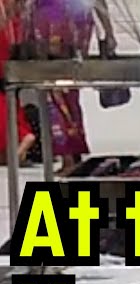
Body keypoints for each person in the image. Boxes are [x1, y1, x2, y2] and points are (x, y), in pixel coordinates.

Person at [26, 0, 116, 174]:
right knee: (68, 101)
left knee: (57, 103)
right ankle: (72, 155)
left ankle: (69, 157)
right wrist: (109, 33)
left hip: (57, 38)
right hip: (68, 38)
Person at [0, 0, 35, 165]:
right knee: (8, 101)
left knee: (5, 103)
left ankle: (21, 137)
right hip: (9, 49)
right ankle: (21, 137)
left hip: (5, 45)